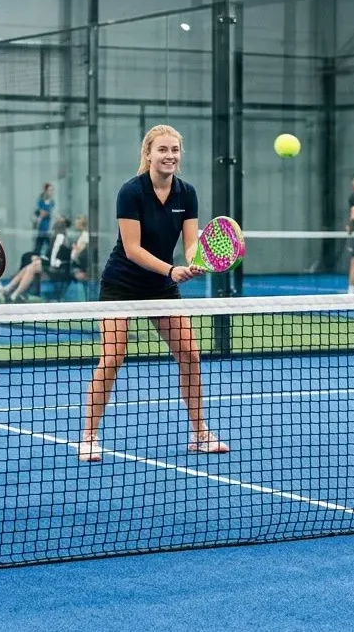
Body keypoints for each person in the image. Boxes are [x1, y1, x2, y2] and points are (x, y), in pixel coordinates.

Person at [79, 125, 229, 462]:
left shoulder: (186, 193)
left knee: (190, 354)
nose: (170, 156)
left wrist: (194, 262)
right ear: (148, 153)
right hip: (122, 285)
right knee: (113, 357)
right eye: (163, 150)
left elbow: (190, 244)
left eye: (175, 150)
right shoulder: (130, 192)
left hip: (161, 286)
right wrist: (171, 270)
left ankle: (200, 434)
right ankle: (88, 436)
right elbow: (132, 250)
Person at [33, 182, 55, 257]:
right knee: (37, 250)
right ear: (45, 191)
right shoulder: (40, 202)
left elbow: (51, 214)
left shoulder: (52, 203)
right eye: (50, 190)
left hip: (49, 230)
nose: (51, 192)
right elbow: (38, 213)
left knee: (50, 250)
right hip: (41, 230)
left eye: (52, 190)